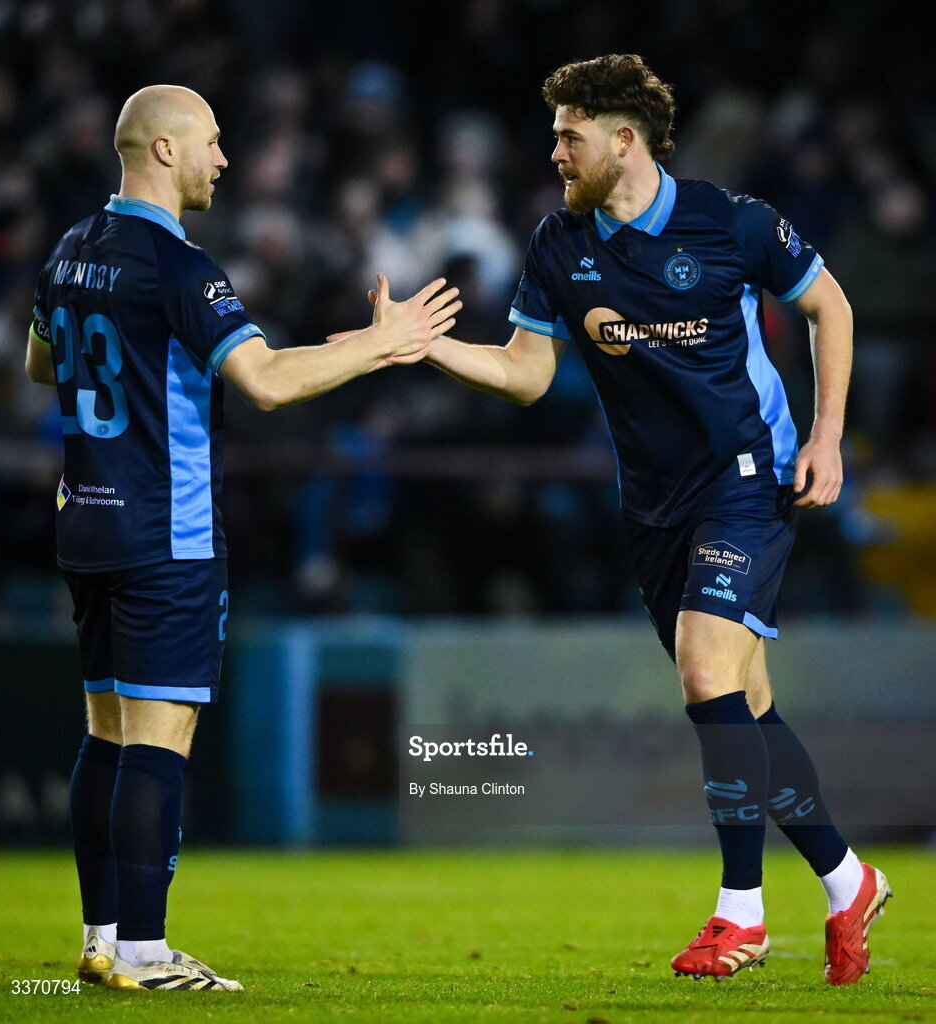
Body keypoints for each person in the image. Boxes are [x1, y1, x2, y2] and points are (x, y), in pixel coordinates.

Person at [379, 54, 889, 984]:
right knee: (746, 709)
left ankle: (740, 915)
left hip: (750, 479)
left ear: (625, 139)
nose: (555, 150)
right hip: (653, 506)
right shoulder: (557, 244)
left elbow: (829, 304)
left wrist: (827, 438)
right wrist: (423, 348)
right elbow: (527, 374)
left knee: (703, 671)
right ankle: (847, 878)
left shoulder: (729, 222)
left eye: (569, 134)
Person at [25, 84, 460, 992]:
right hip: (164, 532)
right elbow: (264, 381)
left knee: (104, 732)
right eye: (213, 143)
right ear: (165, 151)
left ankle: (101, 938)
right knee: (157, 739)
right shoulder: (181, 267)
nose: (223, 159)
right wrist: (385, 342)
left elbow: (41, 361)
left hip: (86, 524)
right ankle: (145, 952)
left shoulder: (70, 249)